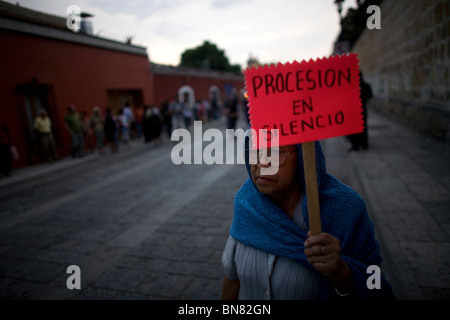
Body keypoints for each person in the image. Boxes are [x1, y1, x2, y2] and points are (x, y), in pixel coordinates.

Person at [222, 136, 395, 300]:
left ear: (304, 156)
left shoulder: (346, 210)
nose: (262, 162)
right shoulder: (245, 203)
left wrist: (342, 272)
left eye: (276, 152)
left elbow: (376, 282)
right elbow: (232, 279)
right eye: (254, 150)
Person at [348, 71, 372, 151]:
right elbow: (370, 96)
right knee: (363, 126)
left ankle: (356, 145)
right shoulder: (366, 86)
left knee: (355, 128)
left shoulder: (351, 87)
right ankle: (364, 144)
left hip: (354, 109)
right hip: (362, 109)